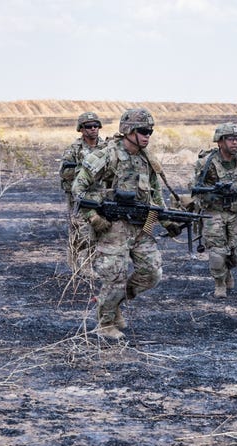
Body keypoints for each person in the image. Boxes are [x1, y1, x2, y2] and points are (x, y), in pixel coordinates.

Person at [71, 108, 182, 339]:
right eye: (143, 131)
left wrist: (167, 220)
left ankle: (115, 304)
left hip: (141, 225)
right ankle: (105, 324)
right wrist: (93, 217)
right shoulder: (106, 155)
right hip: (112, 227)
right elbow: (78, 189)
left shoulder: (147, 159)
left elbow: (155, 196)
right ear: (128, 130)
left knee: (152, 273)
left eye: (150, 131)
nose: (147, 135)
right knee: (114, 278)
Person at [190, 123, 237, 298]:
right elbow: (195, 189)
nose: (235, 142)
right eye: (230, 139)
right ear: (220, 142)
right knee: (217, 251)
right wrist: (214, 195)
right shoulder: (205, 163)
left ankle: (226, 271)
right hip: (213, 211)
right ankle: (220, 283)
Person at [59, 112, 106, 274]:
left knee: (99, 229)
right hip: (79, 196)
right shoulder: (74, 149)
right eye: (89, 126)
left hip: (101, 195)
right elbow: (64, 173)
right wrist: (83, 172)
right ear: (81, 129)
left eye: (96, 126)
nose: (93, 129)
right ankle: (79, 264)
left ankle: (90, 262)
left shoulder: (106, 146)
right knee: (82, 229)